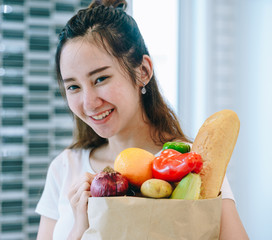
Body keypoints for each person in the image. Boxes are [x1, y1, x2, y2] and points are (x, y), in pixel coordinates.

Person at [35, 0, 249, 239]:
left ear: (143, 72)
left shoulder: (194, 167)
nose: (88, 102)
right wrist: (79, 227)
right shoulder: (64, 168)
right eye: (73, 86)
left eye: (100, 79)